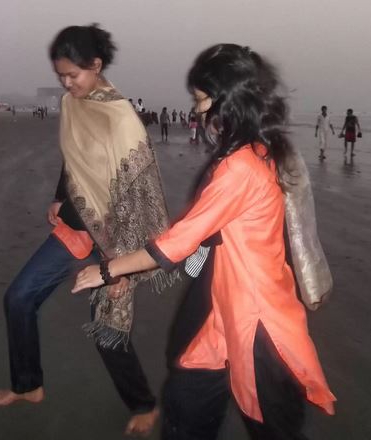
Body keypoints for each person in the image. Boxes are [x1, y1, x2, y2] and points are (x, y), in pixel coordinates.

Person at [72, 44, 336, 439]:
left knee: (273, 426)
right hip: (220, 306)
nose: (197, 109)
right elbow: (204, 239)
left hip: (255, 319)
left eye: (201, 99)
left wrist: (107, 270)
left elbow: (175, 244)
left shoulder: (241, 166)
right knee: (187, 396)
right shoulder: (257, 153)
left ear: (227, 99)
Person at [0, 24, 178, 436]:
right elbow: (75, 159)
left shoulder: (121, 117)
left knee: (106, 329)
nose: (67, 84)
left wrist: (122, 268)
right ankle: (28, 386)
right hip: (75, 230)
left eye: (74, 75)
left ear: (97, 65)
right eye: (61, 77)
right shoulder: (73, 104)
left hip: (114, 241)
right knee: (18, 299)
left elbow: (138, 194)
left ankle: (143, 403)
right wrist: (60, 195)